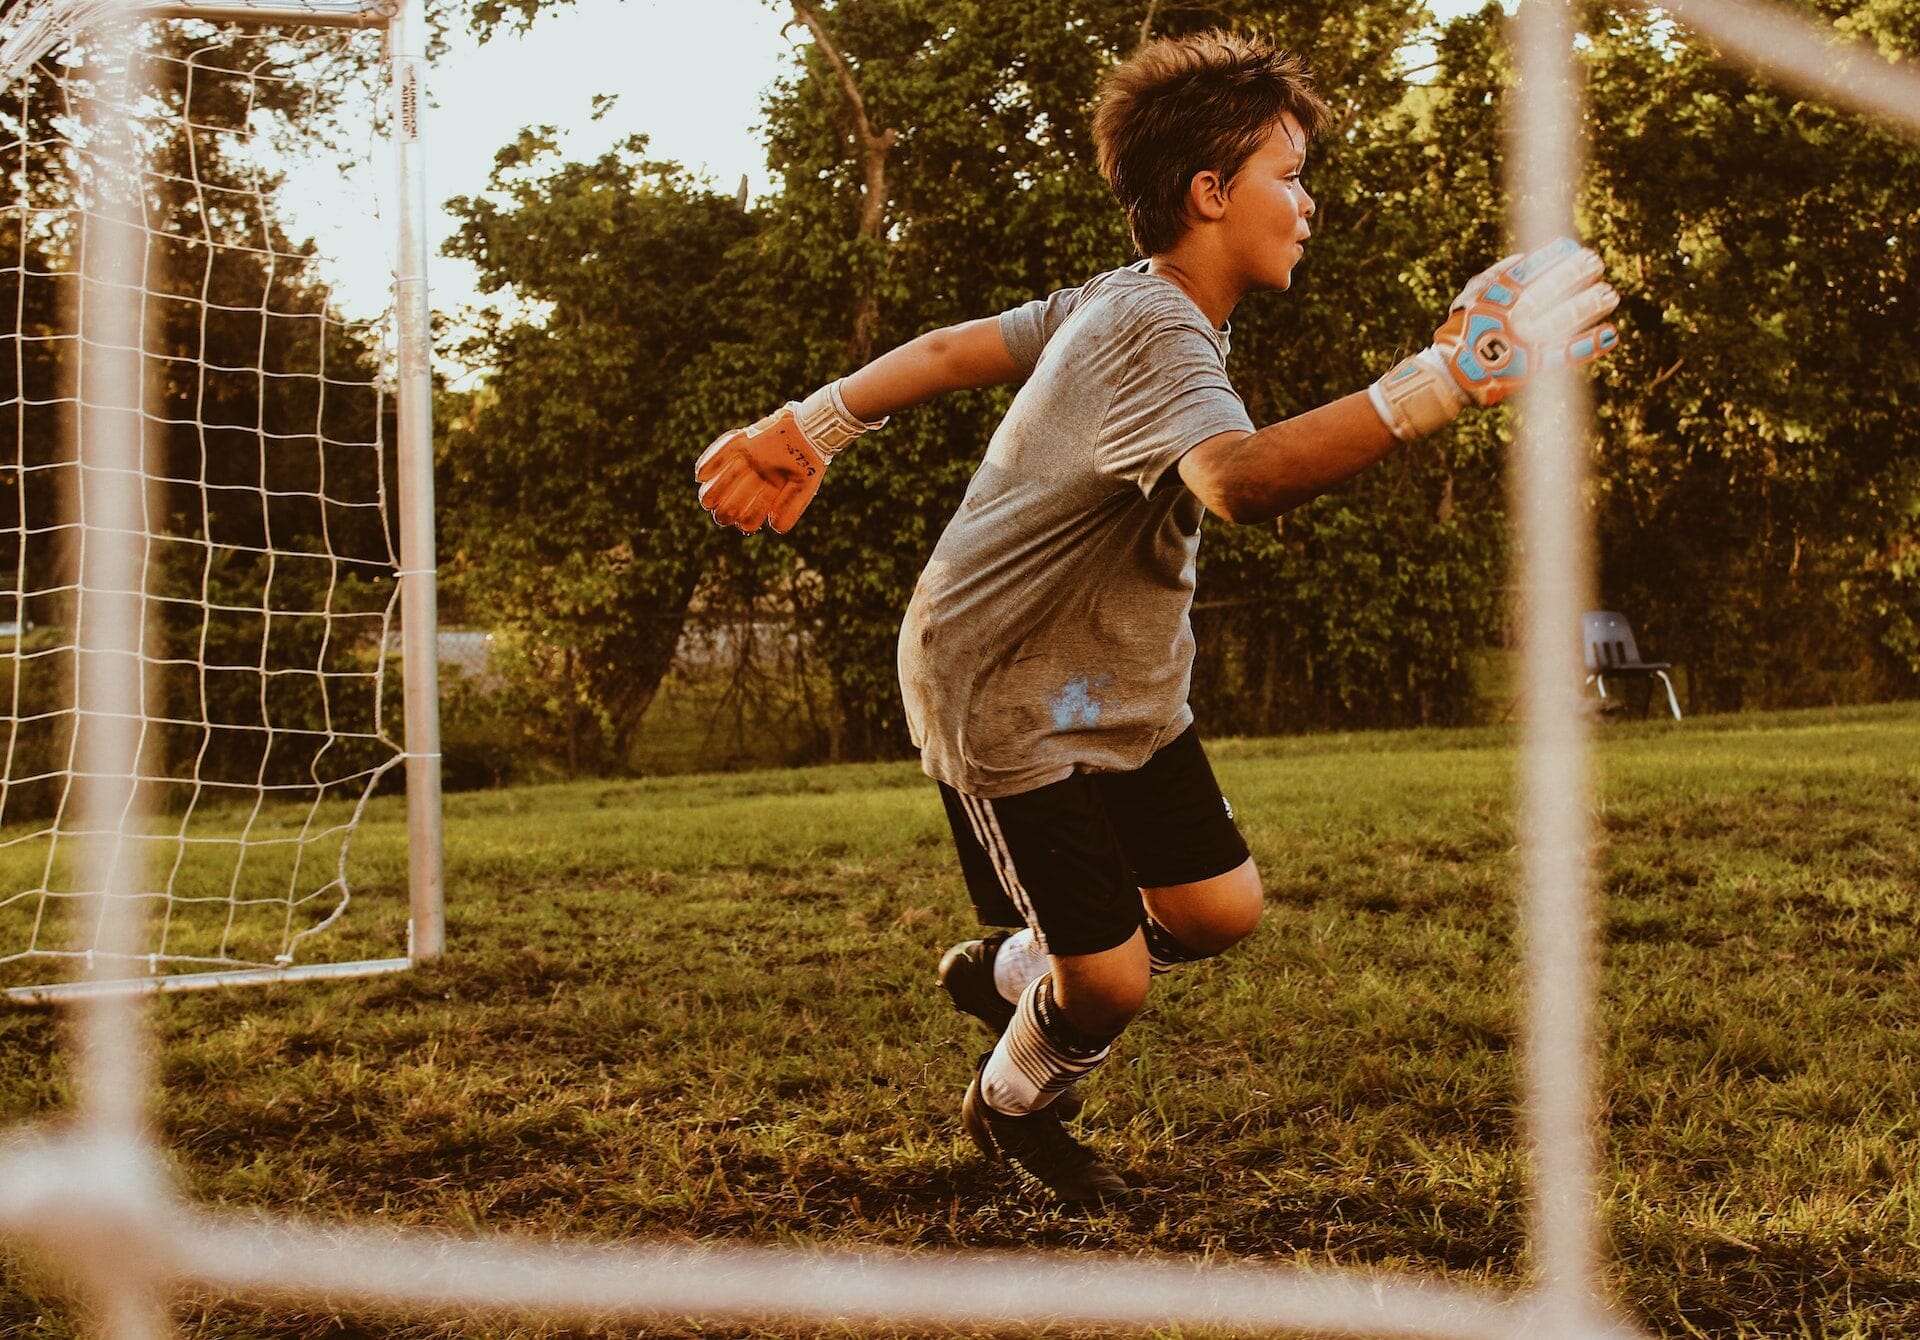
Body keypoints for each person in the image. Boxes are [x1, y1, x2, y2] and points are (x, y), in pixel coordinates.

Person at [694, 29, 1618, 1206]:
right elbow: (1237, 480)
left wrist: (812, 424)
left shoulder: (1122, 299)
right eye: (1289, 176)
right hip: (1010, 692)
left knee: (1219, 907)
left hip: (1110, 686)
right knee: (1114, 982)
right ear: (1209, 192)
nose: (1309, 203)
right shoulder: (1153, 326)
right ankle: (1015, 1099)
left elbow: (946, 349)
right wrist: (1442, 379)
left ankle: (1021, 963)